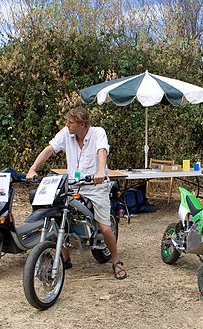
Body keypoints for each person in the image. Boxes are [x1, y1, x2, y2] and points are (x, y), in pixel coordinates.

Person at [26, 106, 127, 280]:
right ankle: (65, 258)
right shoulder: (67, 133)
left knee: (104, 227)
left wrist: (101, 171)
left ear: (82, 124)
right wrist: (33, 169)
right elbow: (50, 149)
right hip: (73, 186)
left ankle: (116, 261)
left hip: (95, 187)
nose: (67, 125)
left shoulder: (97, 133)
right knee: (57, 215)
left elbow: (101, 151)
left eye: (71, 122)